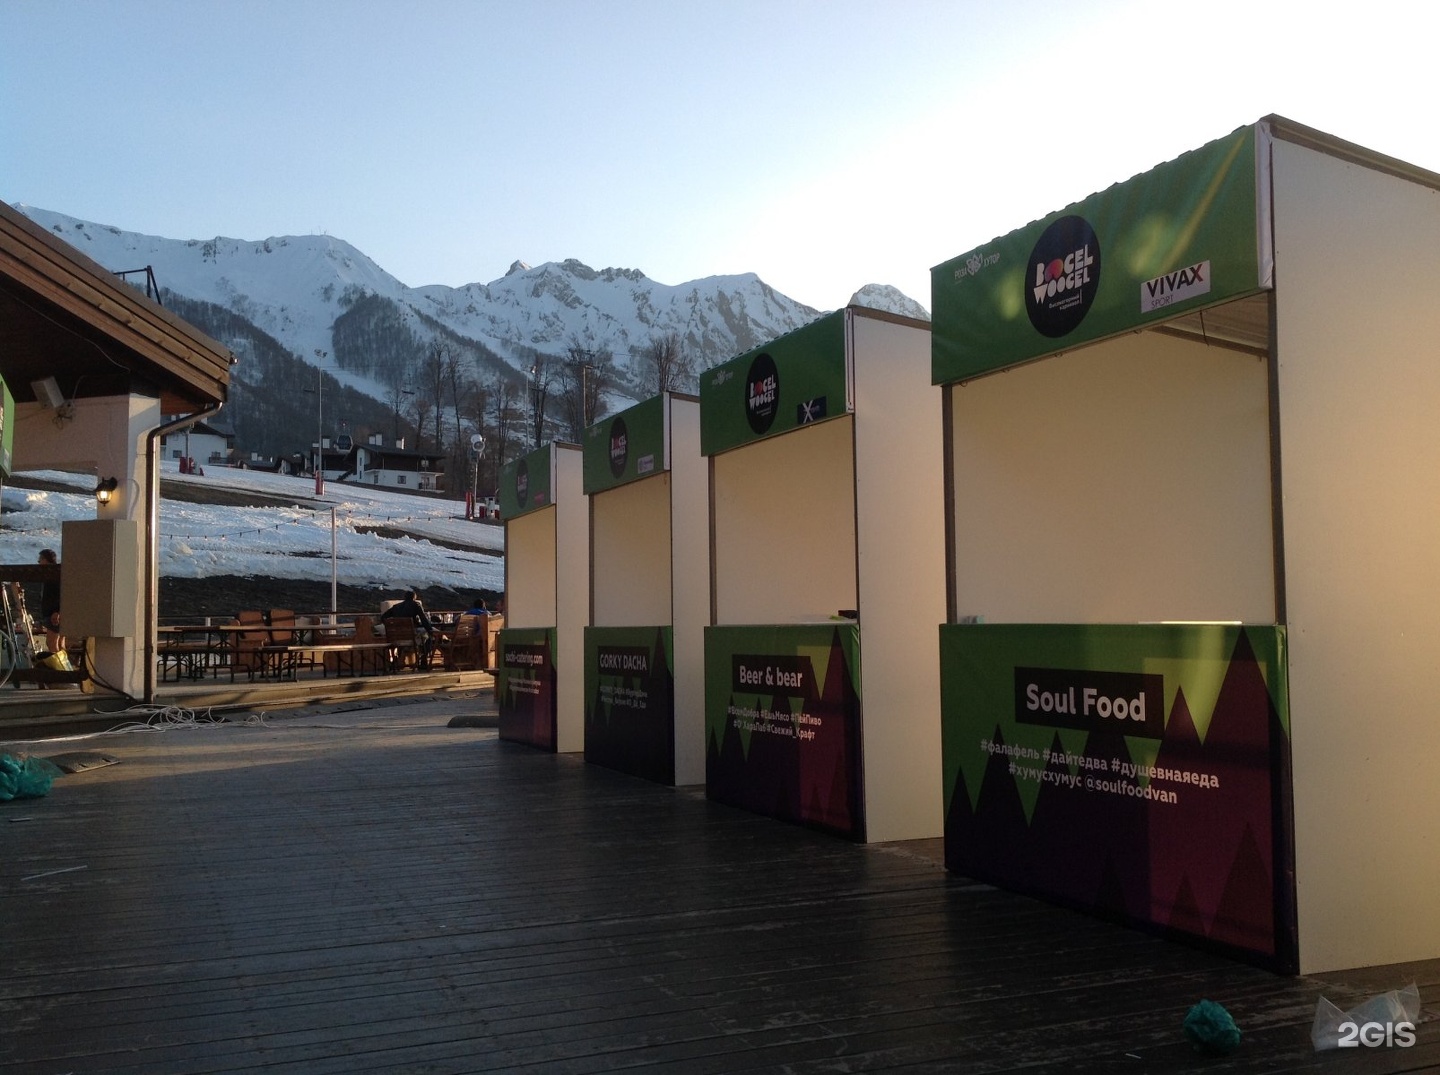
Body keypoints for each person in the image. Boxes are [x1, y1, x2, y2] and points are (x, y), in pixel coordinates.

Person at [381, 590, 436, 662]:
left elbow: (383, 617)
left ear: (405, 597)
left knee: (425, 633)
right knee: (430, 634)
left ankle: (402, 658)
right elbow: (424, 620)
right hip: (411, 636)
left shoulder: (396, 607)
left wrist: (390, 626)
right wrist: (430, 631)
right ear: (414, 597)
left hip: (397, 636)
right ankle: (424, 657)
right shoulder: (416, 605)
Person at [37, 548, 63, 655]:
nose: (38, 562)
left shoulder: (53, 575)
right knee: (59, 644)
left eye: (40, 559)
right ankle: (64, 664)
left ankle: (58, 664)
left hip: (53, 614)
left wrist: (57, 611)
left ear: (46, 560)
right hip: (54, 613)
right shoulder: (55, 573)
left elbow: (60, 594)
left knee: (52, 643)